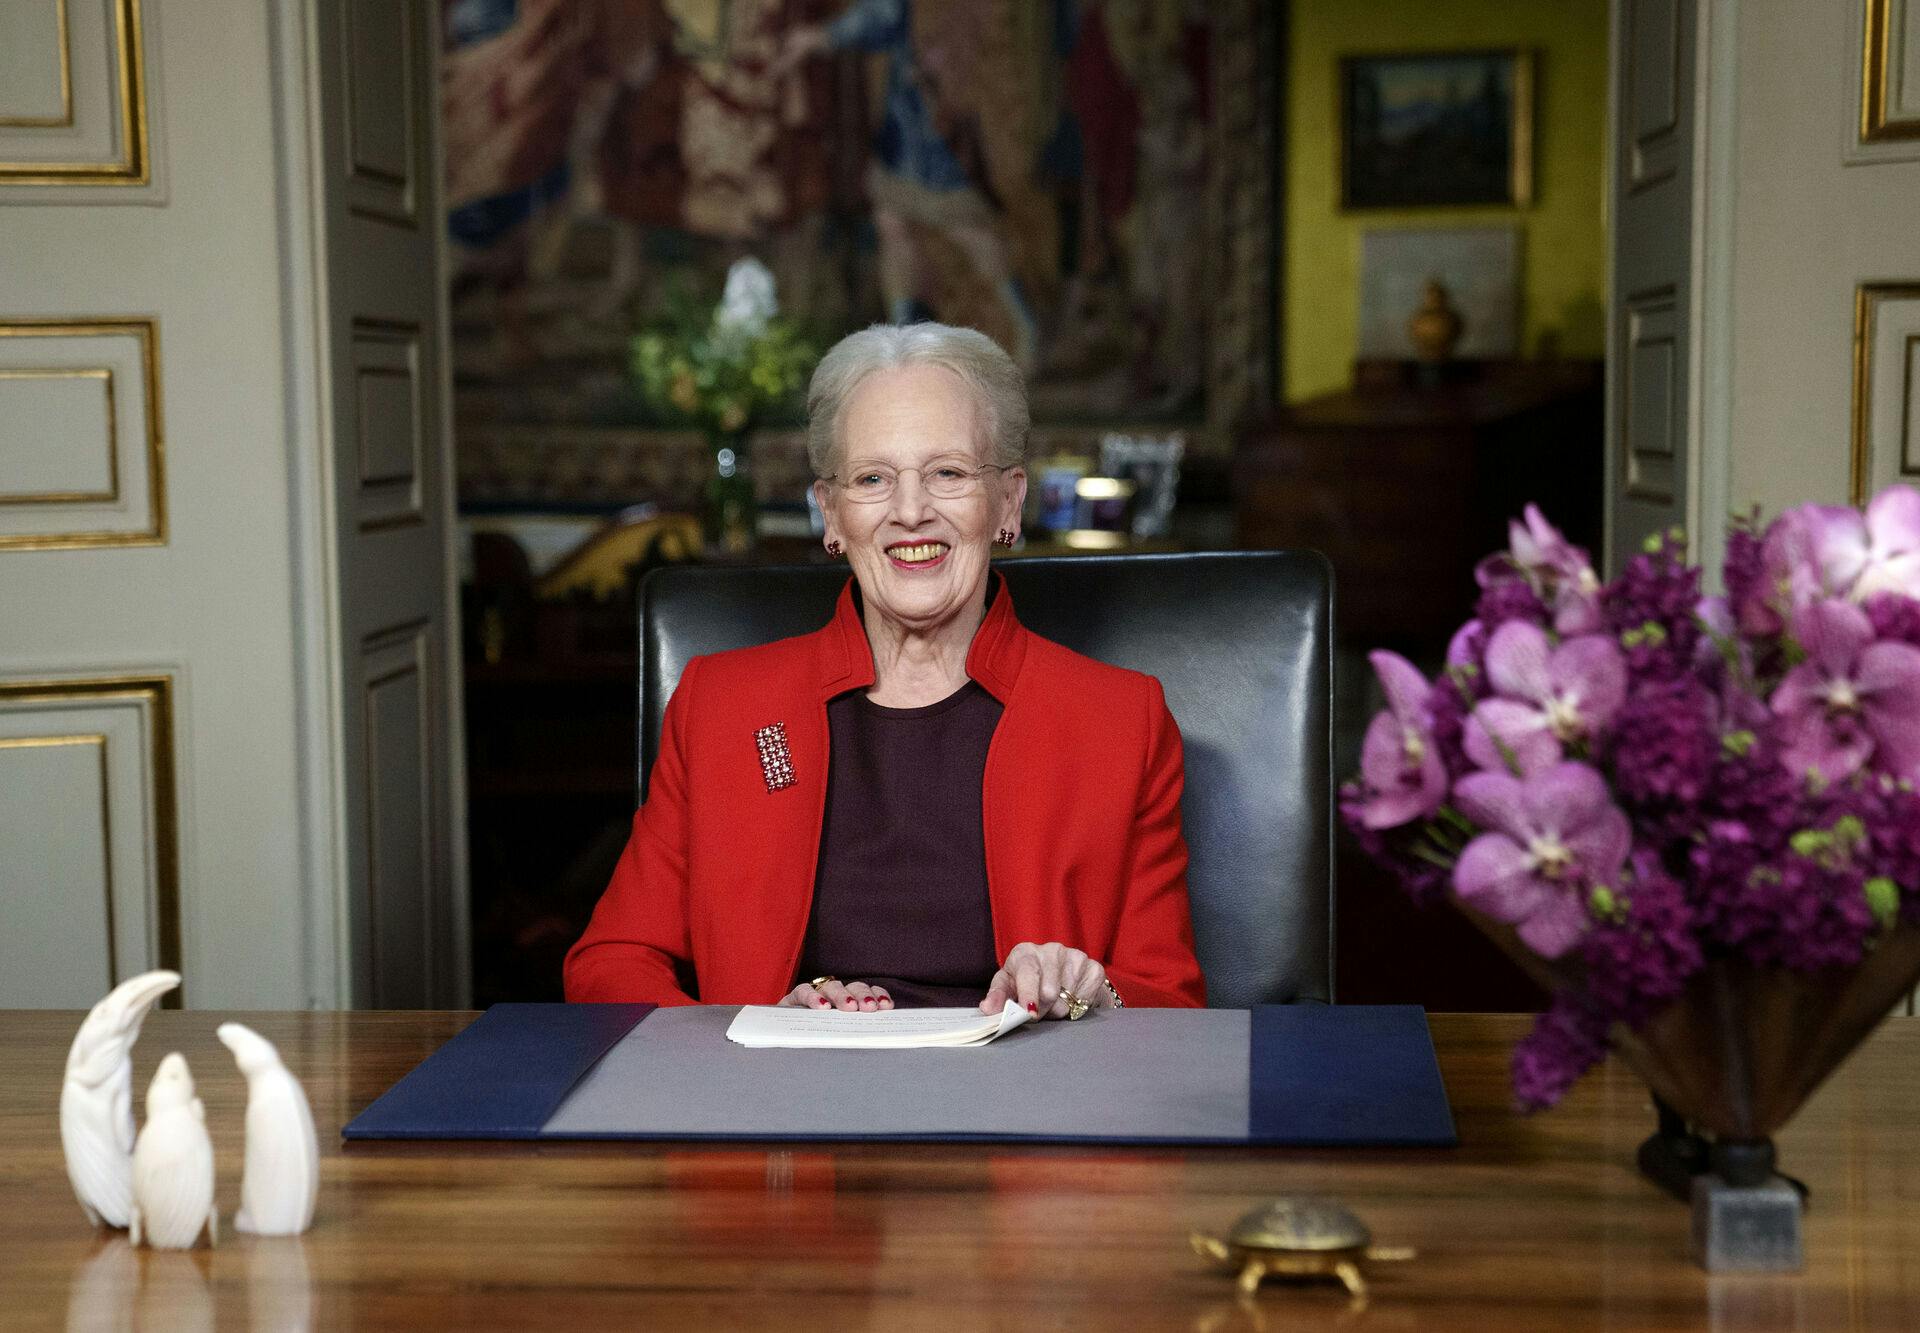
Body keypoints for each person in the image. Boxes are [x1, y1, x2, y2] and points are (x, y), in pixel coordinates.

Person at [564, 322, 1205, 1018]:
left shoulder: (1121, 721)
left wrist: (1092, 991)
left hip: (1021, 1109)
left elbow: (1171, 1004)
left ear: (1008, 503)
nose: (909, 512)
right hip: (787, 1109)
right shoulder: (723, 707)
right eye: (873, 478)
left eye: (948, 473)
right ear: (831, 513)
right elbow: (611, 962)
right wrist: (753, 1033)